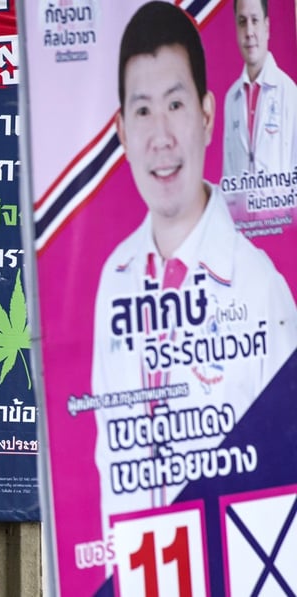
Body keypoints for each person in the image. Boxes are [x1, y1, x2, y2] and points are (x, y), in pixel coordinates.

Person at [91, 0, 297, 536]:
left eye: (176, 104)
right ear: (121, 131)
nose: (161, 136)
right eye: (143, 111)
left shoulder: (260, 288)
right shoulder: (115, 281)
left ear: (206, 115)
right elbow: (111, 461)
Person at [221, 0, 297, 179]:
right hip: (240, 198)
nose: (249, 32)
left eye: (254, 20)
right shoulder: (232, 98)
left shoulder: (289, 92)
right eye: (242, 22)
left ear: (267, 27)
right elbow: (228, 174)